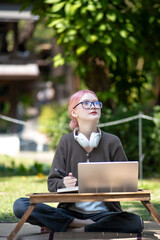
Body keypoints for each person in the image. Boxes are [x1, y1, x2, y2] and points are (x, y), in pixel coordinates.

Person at [13, 89, 144, 233]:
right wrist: (63, 183)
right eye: (87, 103)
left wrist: (113, 183)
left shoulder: (112, 141)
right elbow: (52, 183)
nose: (93, 106)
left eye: (96, 103)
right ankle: (78, 223)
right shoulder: (65, 142)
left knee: (135, 222)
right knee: (20, 205)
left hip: (104, 214)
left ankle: (72, 229)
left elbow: (127, 182)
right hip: (70, 213)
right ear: (74, 112)